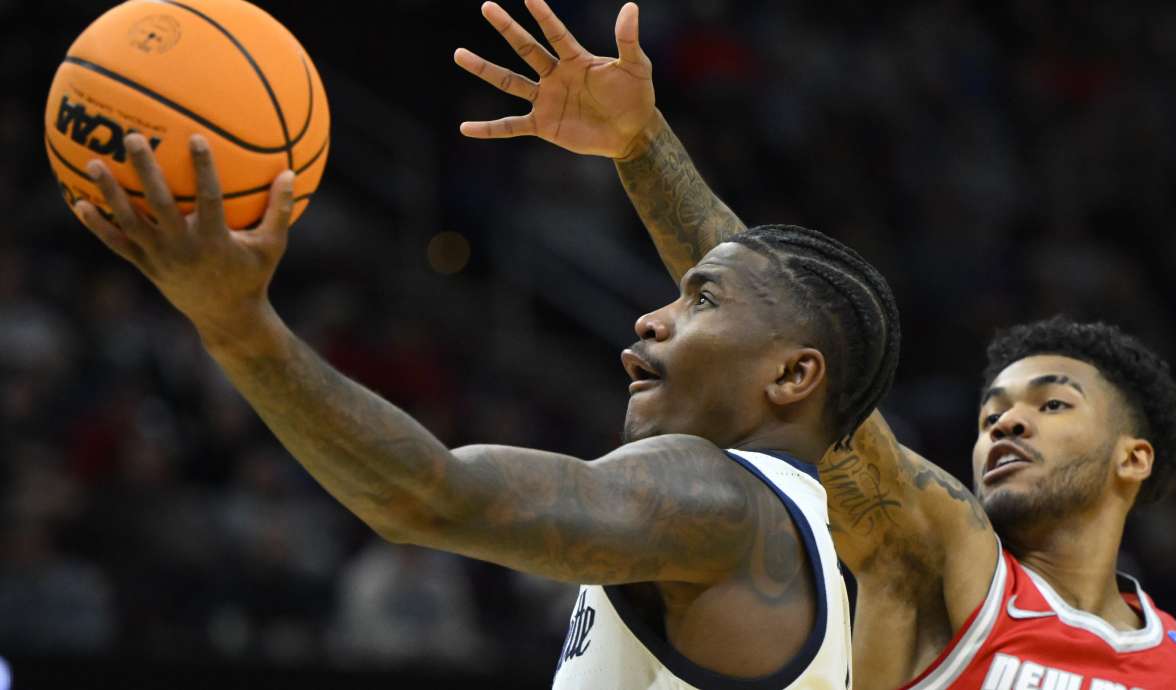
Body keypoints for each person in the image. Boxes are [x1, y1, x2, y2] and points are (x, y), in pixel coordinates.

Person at [72, 34, 900, 690]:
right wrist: (638, 144)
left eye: (702, 303)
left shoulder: (717, 496)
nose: (651, 316)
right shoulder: (804, 534)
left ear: (793, 377)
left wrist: (238, 327)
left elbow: (428, 496)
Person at [453, 1, 1176, 688]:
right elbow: (769, 306)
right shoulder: (936, 560)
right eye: (991, 412)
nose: (1005, 425)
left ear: (1134, 456)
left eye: (1051, 403)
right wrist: (642, 147)